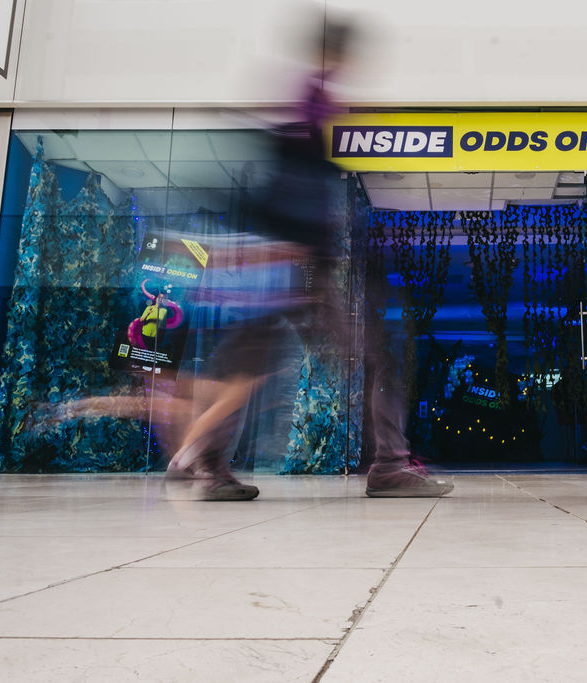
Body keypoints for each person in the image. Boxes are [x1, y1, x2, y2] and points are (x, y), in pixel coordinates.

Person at [163, 16, 453, 501]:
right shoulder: (312, 105)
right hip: (298, 269)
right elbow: (294, 185)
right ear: (337, 55)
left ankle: (213, 470)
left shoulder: (310, 103)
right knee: (379, 357)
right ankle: (389, 466)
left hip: (286, 269)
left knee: (248, 371)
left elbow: (289, 178)